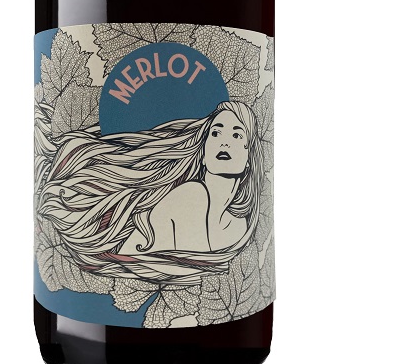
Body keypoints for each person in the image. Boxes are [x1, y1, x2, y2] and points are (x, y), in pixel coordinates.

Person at [35, 100, 264, 284]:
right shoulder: (193, 194)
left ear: (249, 157)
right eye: (216, 133)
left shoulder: (238, 227)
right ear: (202, 154)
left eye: (237, 135)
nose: (224, 143)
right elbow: (189, 274)